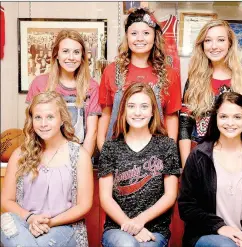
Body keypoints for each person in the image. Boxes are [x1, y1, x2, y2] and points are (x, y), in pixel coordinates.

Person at [178, 92, 242, 247]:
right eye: (224, 116)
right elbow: (187, 206)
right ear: (215, 119)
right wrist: (220, 228)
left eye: (237, 117)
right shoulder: (199, 156)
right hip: (206, 235)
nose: (230, 123)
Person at [1, 91, 93, 247]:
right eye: (38, 117)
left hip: (64, 227)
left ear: (62, 119)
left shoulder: (79, 155)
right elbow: (6, 200)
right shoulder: (20, 155)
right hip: (26, 223)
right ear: (31, 120)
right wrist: (30, 218)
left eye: (50, 117)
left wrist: (50, 222)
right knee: (6, 220)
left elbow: (84, 205)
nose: (43, 124)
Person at [98, 82, 180, 247]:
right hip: (117, 229)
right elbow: (105, 198)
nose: (137, 112)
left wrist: (140, 221)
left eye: (144, 106)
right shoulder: (110, 148)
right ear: (123, 111)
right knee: (128, 245)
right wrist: (131, 226)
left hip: (155, 230)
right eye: (131, 106)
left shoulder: (167, 146)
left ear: (152, 112)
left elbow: (170, 195)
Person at [179, 19, 242, 167]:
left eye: (220, 40)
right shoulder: (194, 79)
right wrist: (186, 168)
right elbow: (185, 127)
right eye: (208, 40)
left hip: (236, 160)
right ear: (202, 45)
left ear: (230, 43)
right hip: (199, 160)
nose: (214, 46)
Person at [97, 7, 181, 151]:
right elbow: (106, 115)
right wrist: (103, 149)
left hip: (155, 156)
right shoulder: (111, 71)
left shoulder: (169, 74)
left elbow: (171, 118)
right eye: (134, 33)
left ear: (155, 37)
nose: (140, 39)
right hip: (117, 154)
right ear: (127, 36)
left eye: (146, 33)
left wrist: (169, 154)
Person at [26, 29, 101, 157]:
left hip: (80, 154)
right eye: (65, 51)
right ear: (56, 54)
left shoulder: (92, 87)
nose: (71, 57)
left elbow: (92, 133)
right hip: (44, 156)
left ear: (82, 57)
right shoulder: (39, 84)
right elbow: (31, 127)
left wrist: (81, 165)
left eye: (76, 52)